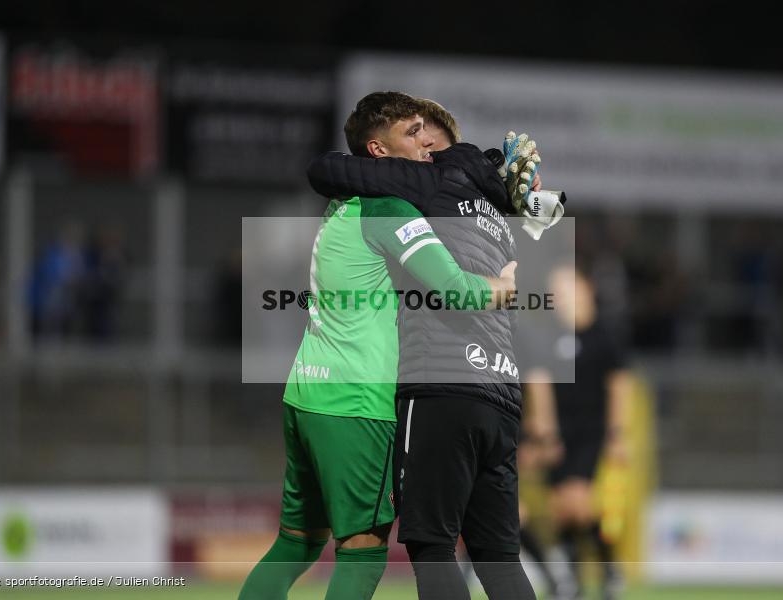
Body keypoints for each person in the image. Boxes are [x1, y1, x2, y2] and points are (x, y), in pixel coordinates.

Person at [238, 92, 517, 600]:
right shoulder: (388, 209)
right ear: (378, 149)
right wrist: (502, 287)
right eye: (411, 133)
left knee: (294, 547)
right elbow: (455, 287)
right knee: (363, 555)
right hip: (358, 403)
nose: (425, 144)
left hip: (307, 393)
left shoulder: (344, 205)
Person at [307, 94, 546, 600]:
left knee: (432, 546)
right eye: (411, 137)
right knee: (500, 559)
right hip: (501, 393)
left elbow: (327, 170)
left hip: (442, 386)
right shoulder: (495, 217)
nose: (420, 148)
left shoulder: (429, 181)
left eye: (424, 137)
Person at [522, 262, 632, 600]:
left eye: (566, 287)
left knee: (578, 503)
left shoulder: (603, 334)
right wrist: (542, 435)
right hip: (560, 433)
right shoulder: (548, 337)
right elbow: (538, 386)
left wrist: (617, 433)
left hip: (590, 432)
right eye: (555, 290)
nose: (559, 297)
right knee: (561, 509)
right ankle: (576, 582)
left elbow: (619, 385)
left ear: (585, 290)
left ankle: (609, 568)